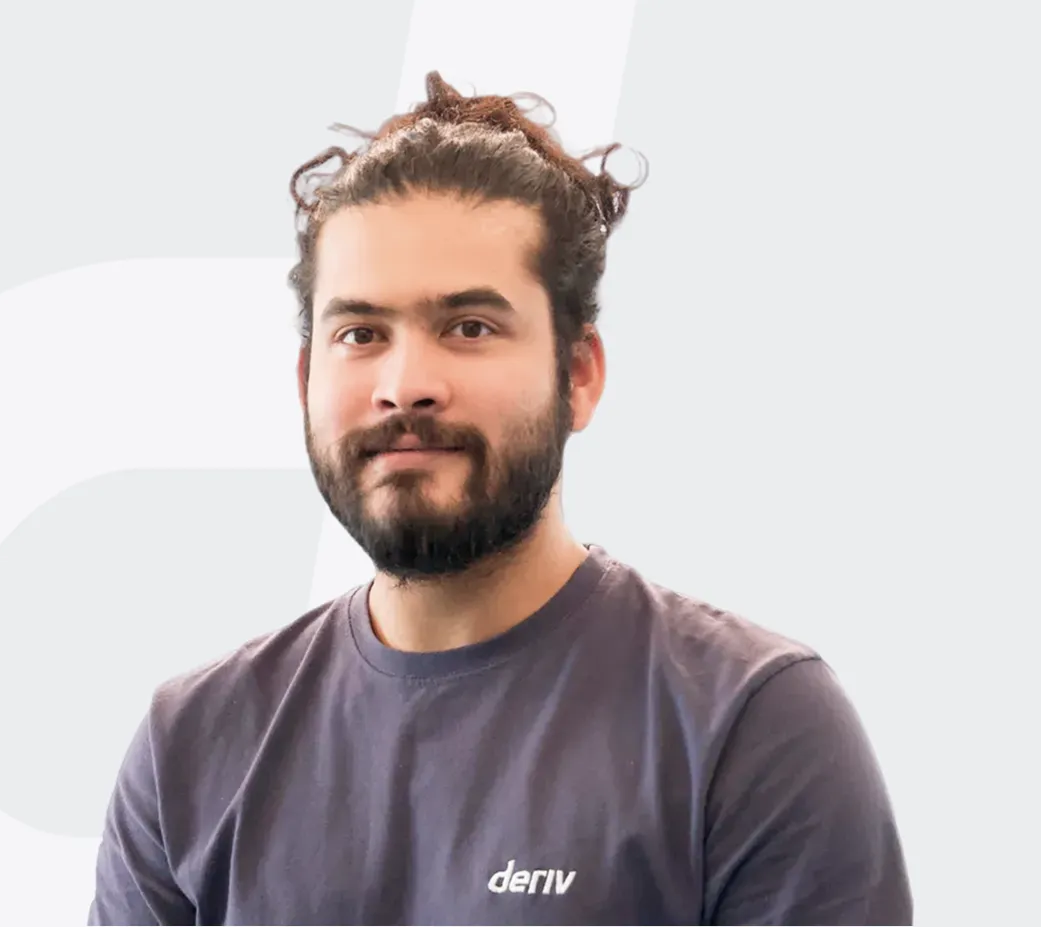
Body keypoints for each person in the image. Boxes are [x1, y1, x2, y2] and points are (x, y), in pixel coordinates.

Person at [88, 71, 913, 925]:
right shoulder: (190, 748)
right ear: (306, 382)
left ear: (578, 373)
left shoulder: (750, 725)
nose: (405, 385)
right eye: (361, 333)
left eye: (469, 327)